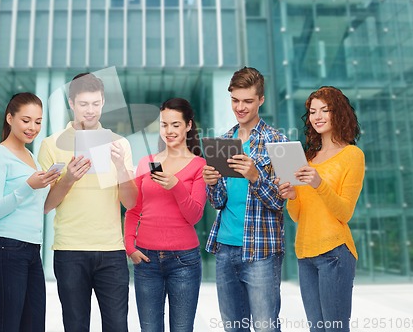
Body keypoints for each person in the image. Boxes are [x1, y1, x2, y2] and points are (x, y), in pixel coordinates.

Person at [38, 72, 137, 332]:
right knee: (75, 325)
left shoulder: (120, 144)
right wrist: (68, 178)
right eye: (83, 104)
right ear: (71, 103)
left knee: (117, 326)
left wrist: (121, 169)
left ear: (103, 101)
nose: (90, 111)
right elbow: (45, 205)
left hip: (112, 252)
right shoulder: (51, 145)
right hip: (70, 250)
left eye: (95, 103)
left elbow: (131, 203)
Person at [202, 67, 287, 332]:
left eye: (248, 101)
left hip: (261, 251)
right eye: (235, 100)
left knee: (265, 327)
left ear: (261, 100)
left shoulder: (278, 141)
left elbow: (281, 201)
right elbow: (218, 202)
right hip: (225, 249)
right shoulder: (224, 142)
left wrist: (255, 176)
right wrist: (212, 183)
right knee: (233, 328)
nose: (240, 107)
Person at [278, 86, 365, 332]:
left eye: (324, 110)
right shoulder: (307, 158)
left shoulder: (352, 155)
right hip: (305, 255)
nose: (317, 116)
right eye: (313, 111)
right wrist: (292, 196)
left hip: (335, 253)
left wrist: (318, 183)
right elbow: (297, 215)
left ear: (339, 113)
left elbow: (345, 212)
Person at [125, 98, 207, 332]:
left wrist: (176, 185)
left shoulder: (199, 165)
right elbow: (133, 208)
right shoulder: (146, 163)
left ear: (188, 126)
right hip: (146, 261)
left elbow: (195, 216)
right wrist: (130, 245)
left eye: (175, 124)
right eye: (164, 125)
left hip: (184, 262)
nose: (169, 131)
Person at [0, 92, 60, 332]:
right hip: (7, 248)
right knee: (8, 326)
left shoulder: (31, 157)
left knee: (34, 325)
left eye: (38, 121)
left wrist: (63, 181)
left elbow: (41, 206)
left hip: (31, 249)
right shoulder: (0, 154)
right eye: (26, 120)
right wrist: (28, 186)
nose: (32, 127)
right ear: (10, 118)